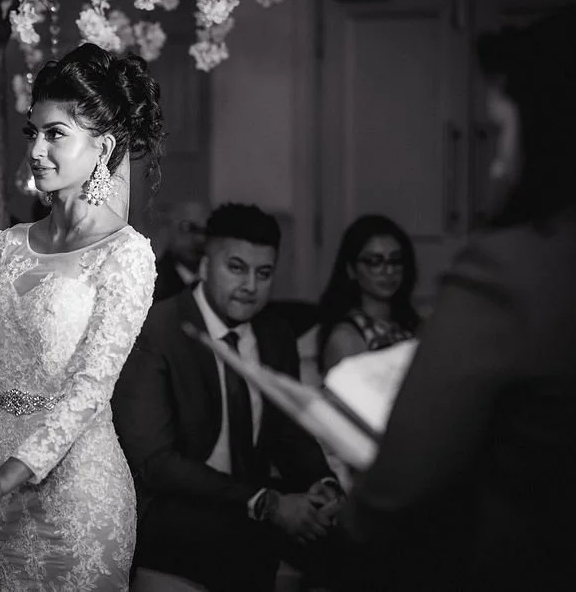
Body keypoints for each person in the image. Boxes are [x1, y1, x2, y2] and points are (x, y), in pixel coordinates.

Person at [341, 4, 576, 591]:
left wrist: (354, 527)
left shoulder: (512, 269)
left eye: (502, 132)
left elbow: (399, 488)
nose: (498, 164)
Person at [0, 42, 163, 590]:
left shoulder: (126, 255)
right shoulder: (9, 244)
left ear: (103, 146)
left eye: (55, 134)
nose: (36, 150)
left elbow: (90, 389)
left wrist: (11, 474)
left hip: (78, 500)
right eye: (32, 132)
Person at [112, 203, 341, 592]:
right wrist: (265, 502)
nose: (251, 285)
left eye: (263, 273)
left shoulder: (275, 334)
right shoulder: (157, 331)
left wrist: (323, 483)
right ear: (204, 265)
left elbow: (288, 431)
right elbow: (156, 463)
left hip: (249, 522)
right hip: (173, 523)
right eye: (236, 268)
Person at [317, 215, 420, 374]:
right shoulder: (346, 337)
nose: (389, 271)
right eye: (374, 261)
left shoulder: (411, 324)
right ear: (351, 269)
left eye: (396, 260)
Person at [152, 201, 207, 303]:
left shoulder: (212, 282)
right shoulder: (154, 283)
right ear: (168, 229)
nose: (200, 239)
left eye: (205, 231)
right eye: (188, 228)